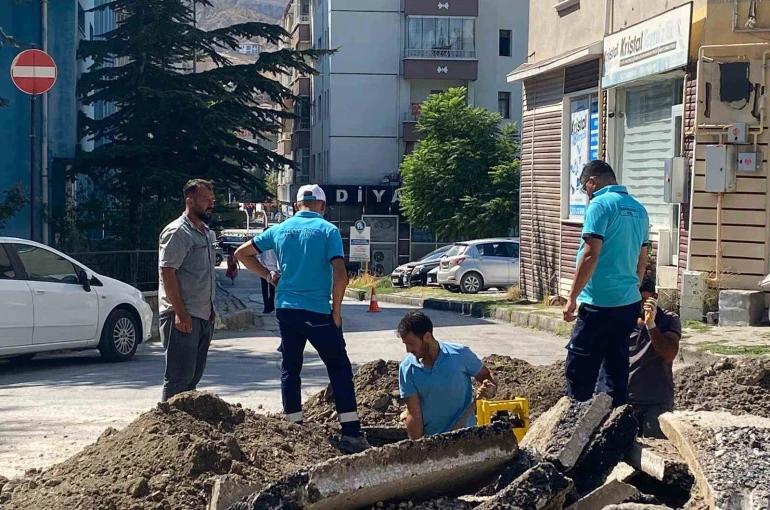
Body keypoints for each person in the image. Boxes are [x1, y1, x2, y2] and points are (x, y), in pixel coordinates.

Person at [235, 184, 370, 453]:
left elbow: (242, 253)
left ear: (297, 205)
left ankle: (294, 428)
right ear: (322, 205)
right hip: (318, 311)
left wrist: (268, 275)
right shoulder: (328, 231)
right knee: (339, 368)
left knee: (291, 368)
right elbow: (341, 275)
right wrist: (337, 312)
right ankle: (351, 433)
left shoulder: (280, 230)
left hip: (286, 308)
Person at [563, 160, 650, 407]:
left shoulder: (600, 204)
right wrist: (634, 287)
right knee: (615, 368)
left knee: (580, 369)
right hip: (627, 302)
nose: (586, 194)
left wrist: (572, 297)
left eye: (584, 187)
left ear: (593, 181)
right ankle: (613, 428)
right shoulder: (638, 208)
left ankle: (574, 426)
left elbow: (590, 254)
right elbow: (642, 259)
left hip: (598, 303)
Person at [158, 179, 217, 402]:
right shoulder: (177, 232)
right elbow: (167, 273)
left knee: (192, 379)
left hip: (203, 315)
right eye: (205, 200)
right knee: (178, 380)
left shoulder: (205, 232)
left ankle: (186, 432)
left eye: (212, 200)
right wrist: (181, 314)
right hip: (183, 317)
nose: (211, 204)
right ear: (189, 201)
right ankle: (168, 431)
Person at [397, 311, 497, 440]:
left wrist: (491, 388)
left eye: (411, 343)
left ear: (427, 336)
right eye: (405, 344)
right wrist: (418, 448)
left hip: (467, 439)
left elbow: (487, 376)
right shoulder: (407, 369)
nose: (408, 350)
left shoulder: (460, 354)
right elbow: (414, 414)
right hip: (433, 443)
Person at [627, 277, 681, 438]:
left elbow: (669, 354)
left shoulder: (668, 319)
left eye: (643, 300)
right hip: (625, 400)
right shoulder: (624, 318)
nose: (639, 305)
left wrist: (651, 325)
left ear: (654, 297)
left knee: (657, 448)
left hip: (655, 403)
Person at [257, 226, 278, 314]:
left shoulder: (262, 244)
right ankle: (270, 305)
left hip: (265, 268)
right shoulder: (274, 243)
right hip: (272, 269)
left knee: (265, 289)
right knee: (272, 289)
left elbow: (258, 256)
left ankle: (267, 307)